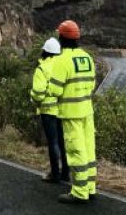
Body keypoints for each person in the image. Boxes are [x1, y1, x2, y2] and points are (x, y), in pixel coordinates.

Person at [47, 20, 97, 204]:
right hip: (87, 111)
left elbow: (55, 90)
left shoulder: (61, 60)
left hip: (71, 113)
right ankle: (90, 188)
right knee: (89, 150)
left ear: (61, 37)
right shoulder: (87, 57)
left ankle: (79, 192)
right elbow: (92, 84)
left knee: (76, 151)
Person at [30, 37, 69, 184]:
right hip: (62, 110)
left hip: (48, 111)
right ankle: (66, 173)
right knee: (62, 142)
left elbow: (38, 92)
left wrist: (34, 98)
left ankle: (55, 174)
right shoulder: (62, 66)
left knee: (53, 142)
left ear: (44, 51)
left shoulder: (42, 68)